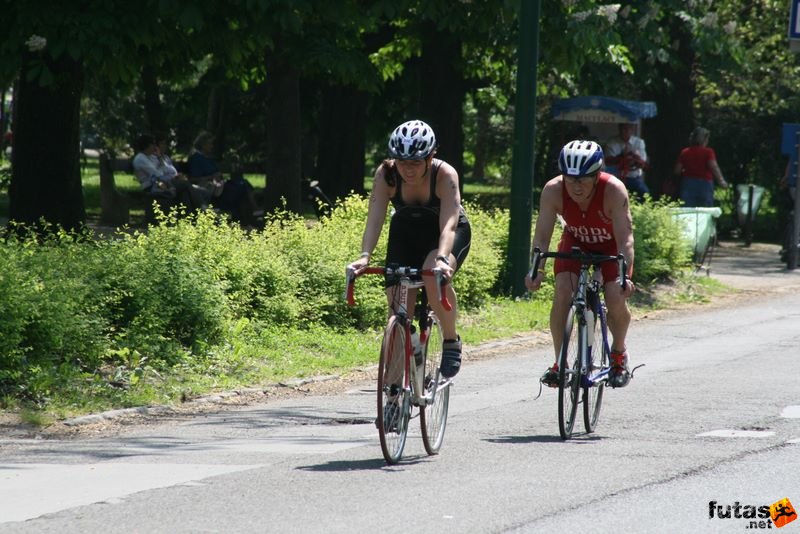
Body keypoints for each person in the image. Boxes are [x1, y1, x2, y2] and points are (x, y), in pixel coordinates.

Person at [347, 119, 471, 379]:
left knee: (431, 273)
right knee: (396, 311)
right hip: (407, 230)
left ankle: (450, 341)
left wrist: (441, 259)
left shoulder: (445, 175)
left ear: (430, 157)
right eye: (402, 162)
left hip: (444, 233)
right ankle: (393, 394)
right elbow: (375, 218)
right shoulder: (386, 175)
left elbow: (448, 225)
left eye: (415, 163)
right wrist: (364, 256)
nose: (408, 170)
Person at [524, 140, 636, 388]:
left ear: (597, 176)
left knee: (616, 296)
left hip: (610, 246)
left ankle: (618, 354)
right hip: (575, 241)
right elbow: (542, 235)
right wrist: (536, 269)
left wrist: (624, 276)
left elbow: (625, 238)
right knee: (563, 291)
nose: (575, 186)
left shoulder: (614, 191)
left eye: (583, 179)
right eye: (570, 178)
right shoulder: (553, 190)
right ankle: (560, 363)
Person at [188, 131, 259, 226]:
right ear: (203, 145)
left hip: (219, 185)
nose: (212, 146)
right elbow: (193, 179)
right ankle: (250, 216)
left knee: (243, 183)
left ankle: (248, 218)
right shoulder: (196, 159)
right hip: (211, 189)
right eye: (210, 144)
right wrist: (211, 177)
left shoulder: (208, 158)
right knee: (241, 188)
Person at [132, 133, 198, 212]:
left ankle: (188, 216)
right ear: (147, 145)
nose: (155, 147)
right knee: (185, 184)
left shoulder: (149, 156)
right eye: (153, 144)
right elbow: (158, 174)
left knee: (184, 193)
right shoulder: (140, 159)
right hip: (151, 186)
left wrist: (160, 158)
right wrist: (171, 176)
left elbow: (163, 171)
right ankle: (201, 209)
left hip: (161, 183)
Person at [674, 126, 728, 207]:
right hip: (705, 184)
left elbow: (677, 171)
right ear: (705, 139)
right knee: (705, 210)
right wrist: (721, 181)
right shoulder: (708, 152)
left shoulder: (685, 152)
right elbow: (714, 167)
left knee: (688, 210)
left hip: (688, 183)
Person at [605, 122, 650, 199]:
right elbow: (608, 161)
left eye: (628, 129)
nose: (625, 131)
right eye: (623, 129)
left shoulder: (639, 142)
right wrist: (622, 157)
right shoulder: (612, 142)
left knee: (645, 194)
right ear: (619, 129)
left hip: (634, 178)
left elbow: (644, 165)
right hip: (617, 178)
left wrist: (635, 158)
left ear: (632, 130)